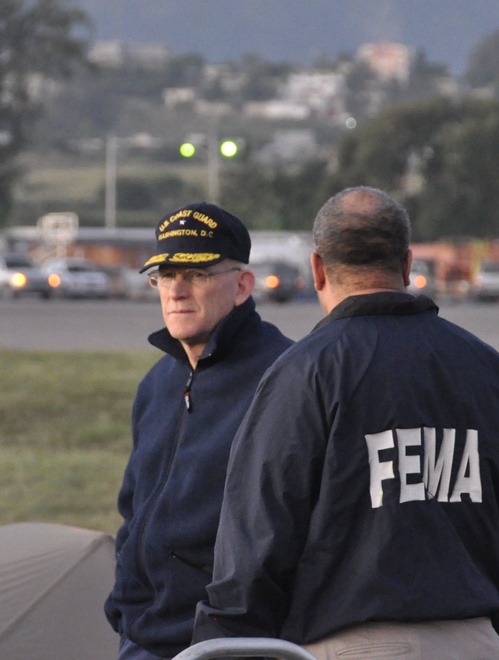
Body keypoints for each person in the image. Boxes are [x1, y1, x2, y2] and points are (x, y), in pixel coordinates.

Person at [192, 187, 499, 660]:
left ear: (318, 269)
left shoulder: (303, 374)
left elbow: (257, 547)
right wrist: (493, 635)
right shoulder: (494, 373)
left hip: (348, 644)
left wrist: (225, 644)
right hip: (476, 639)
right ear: (408, 265)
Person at [104, 201, 294, 659]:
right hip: (143, 637)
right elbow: (134, 510)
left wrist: (226, 626)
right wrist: (125, 606)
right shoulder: (156, 383)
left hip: (230, 644)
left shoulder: (286, 378)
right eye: (165, 276)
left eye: (199, 274)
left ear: (243, 285)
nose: (177, 291)